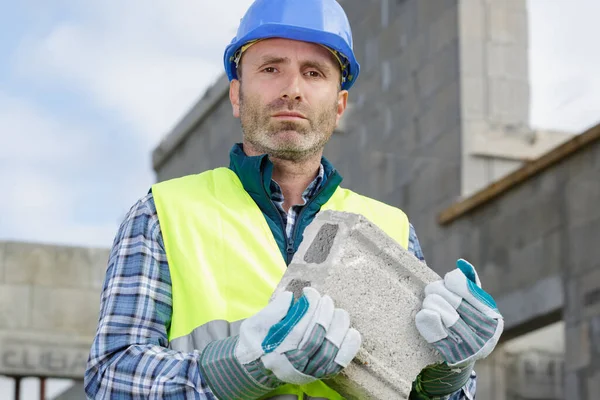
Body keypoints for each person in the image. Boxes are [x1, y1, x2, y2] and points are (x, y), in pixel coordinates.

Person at [84, 0, 504, 399]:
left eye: (314, 72)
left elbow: (411, 390)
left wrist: (449, 373)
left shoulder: (390, 229)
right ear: (236, 95)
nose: (292, 89)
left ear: (339, 107)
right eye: (270, 68)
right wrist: (243, 366)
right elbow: (110, 379)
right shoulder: (164, 214)